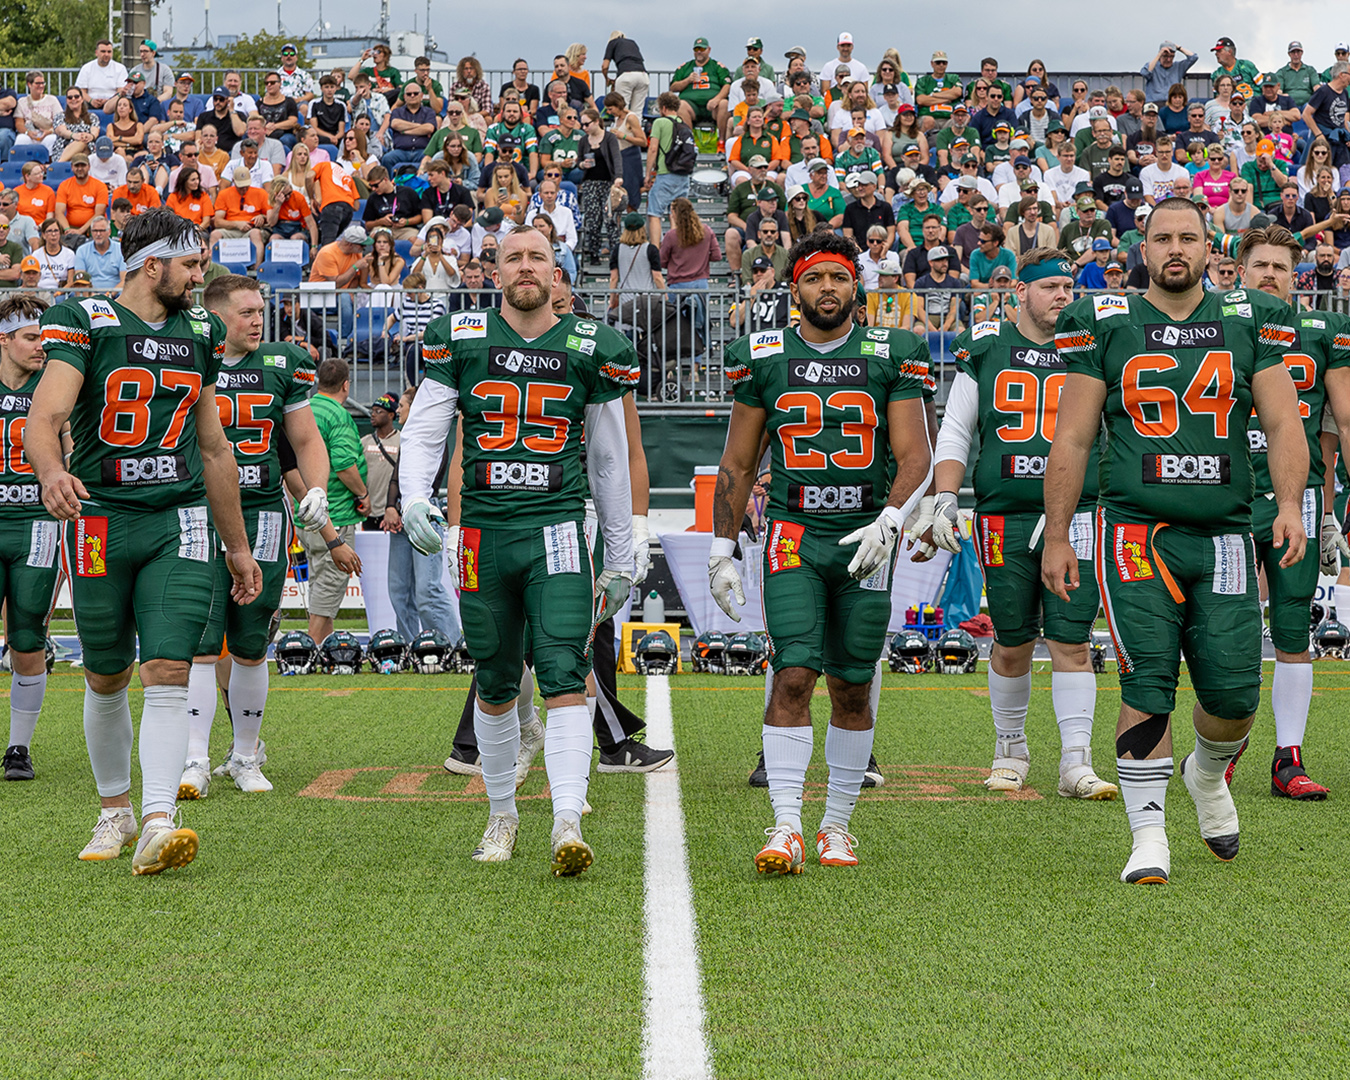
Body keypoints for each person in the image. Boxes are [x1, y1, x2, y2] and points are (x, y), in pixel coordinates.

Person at [1043, 197, 1309, 885]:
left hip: (1223, 531)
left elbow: (1283, 424)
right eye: (1162, 238)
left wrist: (1287, 506)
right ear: (1143, 247)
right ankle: (1148, 834)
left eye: (1187, 237)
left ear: (1209, 245)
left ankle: (1206, 774)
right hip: (1135, 528)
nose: (1174, 249)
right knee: (1147, 679)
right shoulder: (1104, 321)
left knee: (1233, 698)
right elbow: (1071, 436)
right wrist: (1060, 537)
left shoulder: (1250, 320)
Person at [397, 227, 638, 875]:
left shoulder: (590, 346)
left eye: (536, 257)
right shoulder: (464, 337)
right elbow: (424, 431)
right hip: (482, 534)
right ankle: (501, 813)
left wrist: (620, 555)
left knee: (562, 672)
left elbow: (610, 461)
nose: (525, 267)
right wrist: (416, 499)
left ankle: (565, 820)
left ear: (555, 270)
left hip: (558, 529)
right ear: (494, 270)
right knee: (498, 684)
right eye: (513, 257)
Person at [29, 208, 261, 873]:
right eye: (189, 265)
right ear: (151, 264)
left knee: (169, 667)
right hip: (100, 515)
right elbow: (45, 417)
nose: (200, 277)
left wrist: (238, 545)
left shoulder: (199, 330)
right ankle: (116, 809)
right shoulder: (85, 320)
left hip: (178, 517)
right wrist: (51, 471)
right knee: (106, 674)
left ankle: (159, 816)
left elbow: (214, 448)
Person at [710, 230, 931, 873]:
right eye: (813, 278)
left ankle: (835, 826)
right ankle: (785, 826)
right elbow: (740, 461)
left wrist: (893, 520)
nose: (826, 289)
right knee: (794, 673)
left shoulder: (893, 351)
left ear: (855, 285)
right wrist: (722, 548)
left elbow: (915, 453)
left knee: (853, 686)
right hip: (794, 534)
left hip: (868, 534)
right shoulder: (762, 355)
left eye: (837, 276)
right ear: (794, 289)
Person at [931, 247, 1114, 796]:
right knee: (1011, 641)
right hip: (1003, 514)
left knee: (1072, 640)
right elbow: (959, 428)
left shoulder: (1090, 346)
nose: (1063, 296)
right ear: (1020, 293)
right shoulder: (987, 346)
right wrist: (944, 496)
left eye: (1068, 287)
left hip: (1078, 513)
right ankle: (1010, 749)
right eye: (1050, 286)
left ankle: (1075, 761)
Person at [177, 275, 330, 800]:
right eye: (245, 313)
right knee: (198, 643)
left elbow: (306, 437)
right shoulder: (189, 355)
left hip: (263, 512)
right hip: (197, 512)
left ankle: (245, 754)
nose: (257, 320)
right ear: (218, 316)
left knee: (249, 644)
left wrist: (319, 491)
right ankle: (194, 757)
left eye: (260, 311)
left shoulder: (282, 363)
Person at [1227, 226, 1350, 802]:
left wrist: (1330, 509)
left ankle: (1288, 757)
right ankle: (1222, 746)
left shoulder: (1321, 331)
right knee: (1225, 625)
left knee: (1294, 626)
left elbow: (1342, 422)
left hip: (1291, 498)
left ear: (1296, 275)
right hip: (1224, 493)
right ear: (1238, 270)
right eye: (1260, 265)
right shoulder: (1212, 324)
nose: (1270, 274)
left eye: (1281, 266)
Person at [0, 296, 61, 781]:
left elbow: (72, 447)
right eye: (30, 337)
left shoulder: (54, 386)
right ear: (4, 339)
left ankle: (18, 748)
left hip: (36, 524)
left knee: (27, 638)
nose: (41, 347)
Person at [362, 390, 459, 642]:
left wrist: (401, 504)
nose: (400, 410)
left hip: (425, 511)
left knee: (427, 591)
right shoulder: (410, 439)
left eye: (403, 406)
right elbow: (398, 475)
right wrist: (391, 507)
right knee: (399, 591)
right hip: (403, 513)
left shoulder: (432, 438)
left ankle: (447, 645)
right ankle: (411, 647)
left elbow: (429, 479)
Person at [299, 358, 368, 643]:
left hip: (305, 514)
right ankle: (307, 652)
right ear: (346, 385)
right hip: (335, 516)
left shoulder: (304, 409)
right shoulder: (338, 415)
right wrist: (363, 494)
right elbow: (344, 465)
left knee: (319, 587)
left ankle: (321, 651)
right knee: (328, 589)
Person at [644, 93, 691, 247]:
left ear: (663, 108)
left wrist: (647, 173)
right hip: (683, 175)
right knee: (676, 214)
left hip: (665, 173)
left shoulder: (660, 122)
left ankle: (656, 249)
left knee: (654, 213)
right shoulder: (683, 124)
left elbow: (653, 149)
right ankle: (675, 247)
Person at [671, 37, 731, 135]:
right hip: (691, 106)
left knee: (724, 104)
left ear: (709, 50)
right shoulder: (685, 67)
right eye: (696, 49)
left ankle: (722, 142)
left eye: (702, 49)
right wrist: (687, 80)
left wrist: (717, 99)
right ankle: (690, 142)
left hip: (713, 107)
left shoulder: (717, 66)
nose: (699, 52)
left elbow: (727, 85)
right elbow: (673, 87)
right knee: (680, 105)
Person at [70, 216, 124, 291]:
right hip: (89, 294)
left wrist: (109, 295)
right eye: (95, 231)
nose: (98, 234)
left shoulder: (120, 249)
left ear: (109, 232)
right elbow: (81, 280)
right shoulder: (82, 250)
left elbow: (124, 280)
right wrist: (92, 295)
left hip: (115, 295)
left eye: (101, 230)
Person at [602, 32, 649, 117]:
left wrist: (607, 78)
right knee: (637, 111)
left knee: (620, 109)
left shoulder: (612, 43)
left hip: (626, 75)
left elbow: (605, 66)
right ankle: (635, 128)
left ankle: (621, 130)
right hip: (643, 76)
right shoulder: (632, 42)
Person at [76, 40, 129, 113]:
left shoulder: (120, 68)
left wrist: (108, 101)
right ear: (96, 53)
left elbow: (121, 91)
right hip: (90, 102)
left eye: (109, 52)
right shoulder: (86, 68)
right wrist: (91, 101)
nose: (106, 54)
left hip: (112, 103)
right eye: (103, 51)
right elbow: (80, 90)